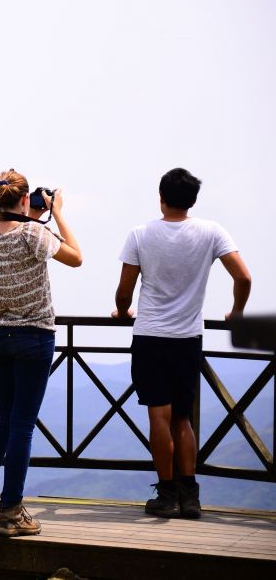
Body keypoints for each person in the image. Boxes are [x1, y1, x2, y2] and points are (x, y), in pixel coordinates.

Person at [112, 168, 251, 519]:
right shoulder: (211, 231)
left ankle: (166, 494)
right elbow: (244, 276)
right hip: (187, 338)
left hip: (150, 336)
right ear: (192, 200)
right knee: (183, 418)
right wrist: (236, 312)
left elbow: (125, 289)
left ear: (161, 197)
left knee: (159, 416)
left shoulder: (140, 234)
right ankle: (191, 496)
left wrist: (123, 309)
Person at [0, 169, 82, 537]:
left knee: (4, 419)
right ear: (25, 200)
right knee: (22, 425)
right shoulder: (34, 233)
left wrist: (29, 215)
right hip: (34, 337)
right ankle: (12, 511)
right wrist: (56, 212)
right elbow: (76, 258)